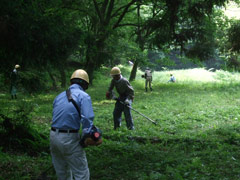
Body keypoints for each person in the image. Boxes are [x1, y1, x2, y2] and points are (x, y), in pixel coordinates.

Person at [50, 69, 102, 180]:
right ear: (85, 85)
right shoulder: (84, 96)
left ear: (71, 82)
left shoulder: (59, 96)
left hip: (53, 136)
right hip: (69, 138)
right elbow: (87, 118)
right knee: (81, 173)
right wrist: (88, 136)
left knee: (62, 172)